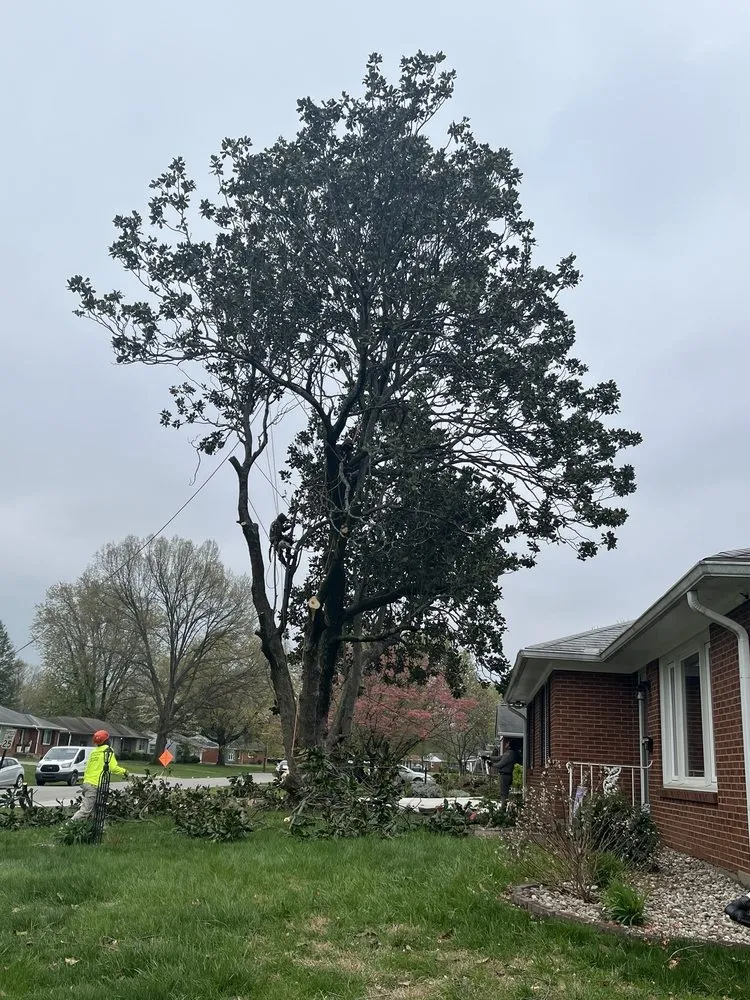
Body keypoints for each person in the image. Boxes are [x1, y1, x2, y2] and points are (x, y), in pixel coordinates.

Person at [70, 730, 128, 822]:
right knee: (85, 811)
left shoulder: (93, 752)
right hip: (95, 784)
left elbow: (88, 768)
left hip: (87, 783)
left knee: (96, 810)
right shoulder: (108, 751)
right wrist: (124, 772)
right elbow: (112, 767)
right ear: (106, 740)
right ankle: (67, 827)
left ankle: (97, 830)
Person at [482, 739, 522, 809]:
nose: (506, 744)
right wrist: (488, 757)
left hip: (505, 775)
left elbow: (501, 764)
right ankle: (503, 808)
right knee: (503, 794)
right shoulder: (508, 753)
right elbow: (499, 758)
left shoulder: (510, 754)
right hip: (505, 775)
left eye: (507, 743)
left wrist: (492, 765)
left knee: (504, 794)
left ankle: (503, 810)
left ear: (510, 746)